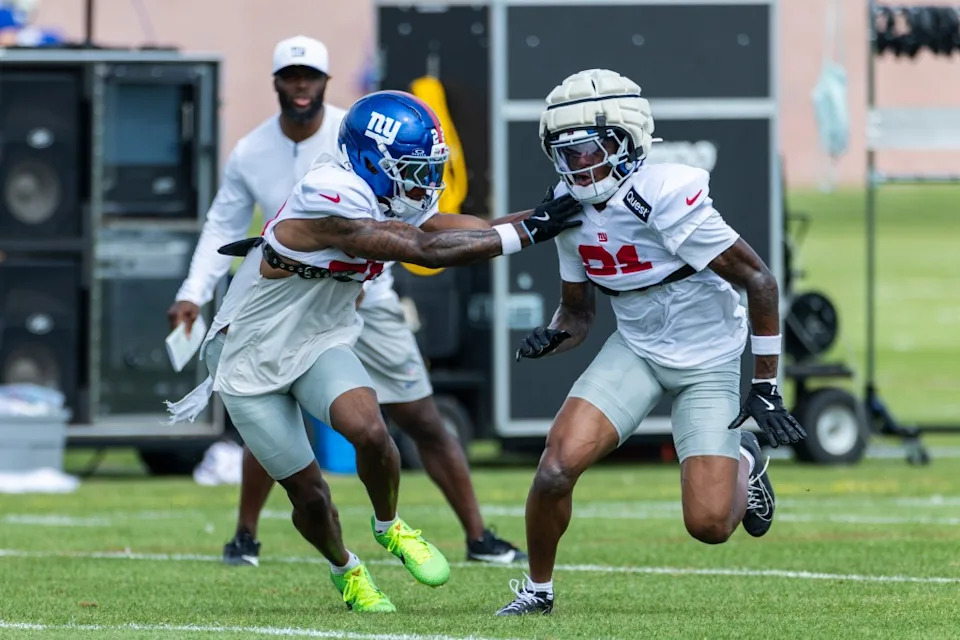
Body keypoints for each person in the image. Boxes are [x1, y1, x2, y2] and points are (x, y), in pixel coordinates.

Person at [167, 89, 582, 612]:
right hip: (248, 353)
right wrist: (532, 232)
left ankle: (388, 526)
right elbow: (423, 250)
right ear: (370, 160)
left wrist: (543, 216)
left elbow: (453, 227)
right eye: (414, 168)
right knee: (310, 494)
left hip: (318, 339)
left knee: (371, 432)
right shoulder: (330, 193)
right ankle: (347, 569)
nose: (425, 181)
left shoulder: (384, 191)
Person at [494, 69, 806, 616]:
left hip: (708, 361)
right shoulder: (567, 206)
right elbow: (578, 313)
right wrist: (556, 333)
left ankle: (746, 461)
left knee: (709, 525)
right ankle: (538, 591)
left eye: (591, 149)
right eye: (566, 153)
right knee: (555, 467)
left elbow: (760, 280)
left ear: (628, 141)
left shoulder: (665, 194)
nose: (579, 165)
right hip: (636, 351)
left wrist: (765, 386)